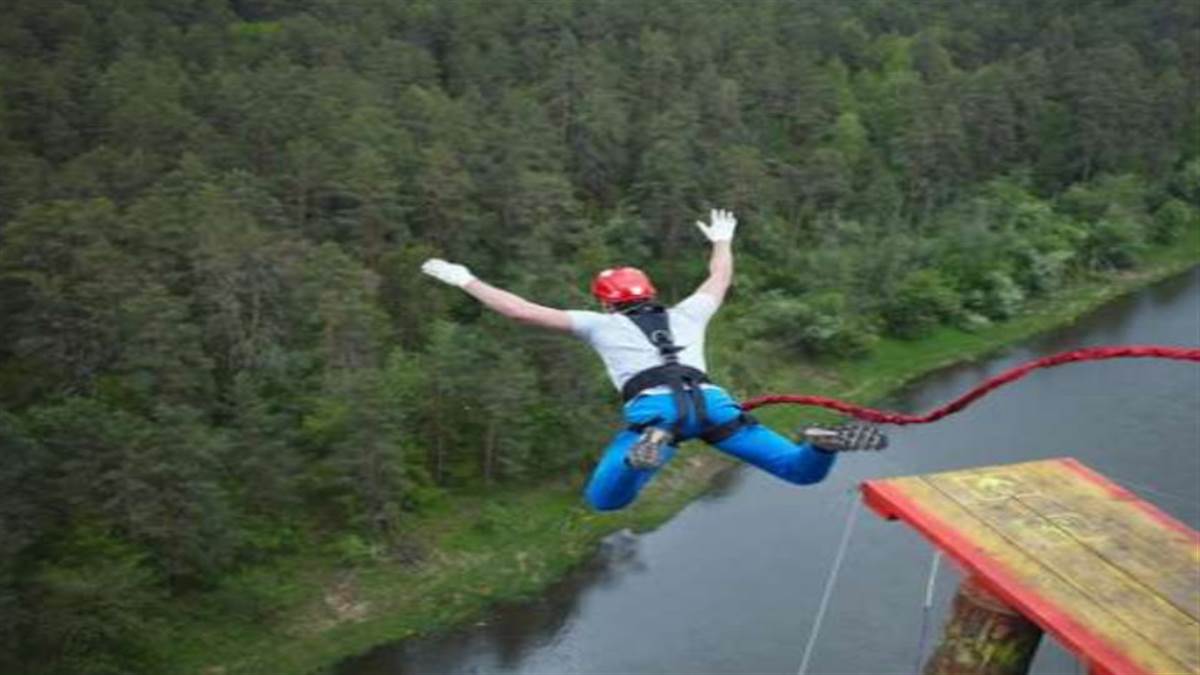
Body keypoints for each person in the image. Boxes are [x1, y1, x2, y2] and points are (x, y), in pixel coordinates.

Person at [420, 208, 885, 512]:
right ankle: (821, 444)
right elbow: (719, 279)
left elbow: (520, 311)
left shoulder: (598, 324)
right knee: (799, 472)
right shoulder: (687, 314)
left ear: (606, 302)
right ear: (650, 293)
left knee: (606, 500)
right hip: (714, 405)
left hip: (656, 413)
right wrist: (722, 240)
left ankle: (642, 457)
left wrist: (465, 280)